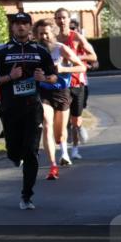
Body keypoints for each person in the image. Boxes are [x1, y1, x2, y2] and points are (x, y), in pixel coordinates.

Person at [0, 12, 58, 210]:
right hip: (10, 108)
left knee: (31, 151)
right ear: (12, 27)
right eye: (17, 23)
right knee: (13, 151)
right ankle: (15, 156)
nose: (21, 27)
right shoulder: (2, 52)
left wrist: (44, 79)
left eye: (24, 23)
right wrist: (10, 77)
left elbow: (54, 77)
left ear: (30, 27)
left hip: (33, 108)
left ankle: (27, 195)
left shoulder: (40, 51)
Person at [33, 19, 86, 180]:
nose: (43, 37)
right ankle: (53, 165)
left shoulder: (61, 49)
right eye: (40, 34)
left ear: (53, 33)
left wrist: (63, 69)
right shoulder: (34, 51)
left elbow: (82, 67)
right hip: (44, 92)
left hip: (62, 92)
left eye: (46, 33)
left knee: (59, 135)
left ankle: (63, 150)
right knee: (46, 124)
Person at [54, 9, 98, 161]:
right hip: (61, 85)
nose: (61, 21)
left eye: (64, 18)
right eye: (58, 18)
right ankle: (65, 153)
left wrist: (76, 57)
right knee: (62, 120)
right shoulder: (54, 40)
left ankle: (75, 146)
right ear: (55, 20)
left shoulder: (76, 37)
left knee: (75, 119)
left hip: (77, 83)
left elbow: (93, 56)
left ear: (68, 19)